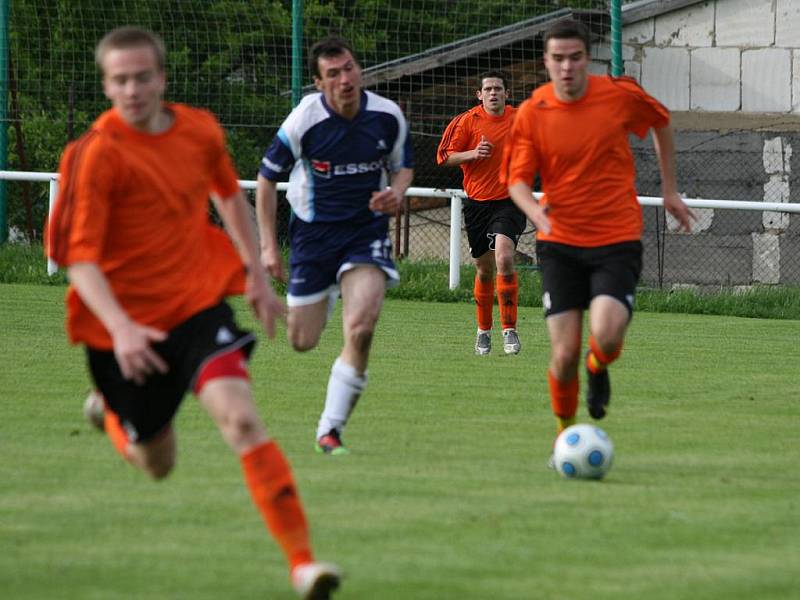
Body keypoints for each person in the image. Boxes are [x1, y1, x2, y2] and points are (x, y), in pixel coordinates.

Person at [45, 26, 340, 599]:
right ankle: (110, 411)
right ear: (107, 85)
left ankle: (303, 564)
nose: (133, 89)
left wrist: (254, 271)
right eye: (120, 80)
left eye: (143, 77)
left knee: (242, 420)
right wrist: (123, 328)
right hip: (122, 325)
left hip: (197, 309)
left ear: (162, 78)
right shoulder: (92, 156)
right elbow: (78, 259)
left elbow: (225, 193)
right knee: (156, 462)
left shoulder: (198, 130)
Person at [501, 20, 695, 454]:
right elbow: (515, 181)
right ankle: (564, 436)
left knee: (606, 335)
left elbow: (661, 122)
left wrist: (669, 190)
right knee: (563, 354)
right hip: (561, 242)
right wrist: (535, 211)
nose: (566, 67)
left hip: (616, 236)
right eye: (558, 59)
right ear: (546, 62)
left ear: (587, 59)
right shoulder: (534, 111)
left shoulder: (618, 95)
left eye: (575, 58)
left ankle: (599, 364)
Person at [255, 36, 414, 455]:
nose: (345, 79)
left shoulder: (386, 116)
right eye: (333, 74)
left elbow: (403, 168)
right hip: (314, 236)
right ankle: (322, 293)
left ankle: (330, 429)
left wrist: (396, 193)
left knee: (360, 328)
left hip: (365, 233)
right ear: (318, 83)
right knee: (301, 341)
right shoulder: (304, 120)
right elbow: (267, 180)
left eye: (349, 68)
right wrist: (270, 248)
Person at [437, 71, 526, 356]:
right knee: (484, 269)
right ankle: (483, 331)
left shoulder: (520, 119)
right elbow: (444, 156)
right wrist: (473, 154)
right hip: (477, 203)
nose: (493, 93)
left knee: (504, 256)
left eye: (498, 89)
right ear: (479, 95)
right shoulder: (467, 121)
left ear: (506, 93)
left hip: (509, 200)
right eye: (487, 89)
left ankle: (509, 330)